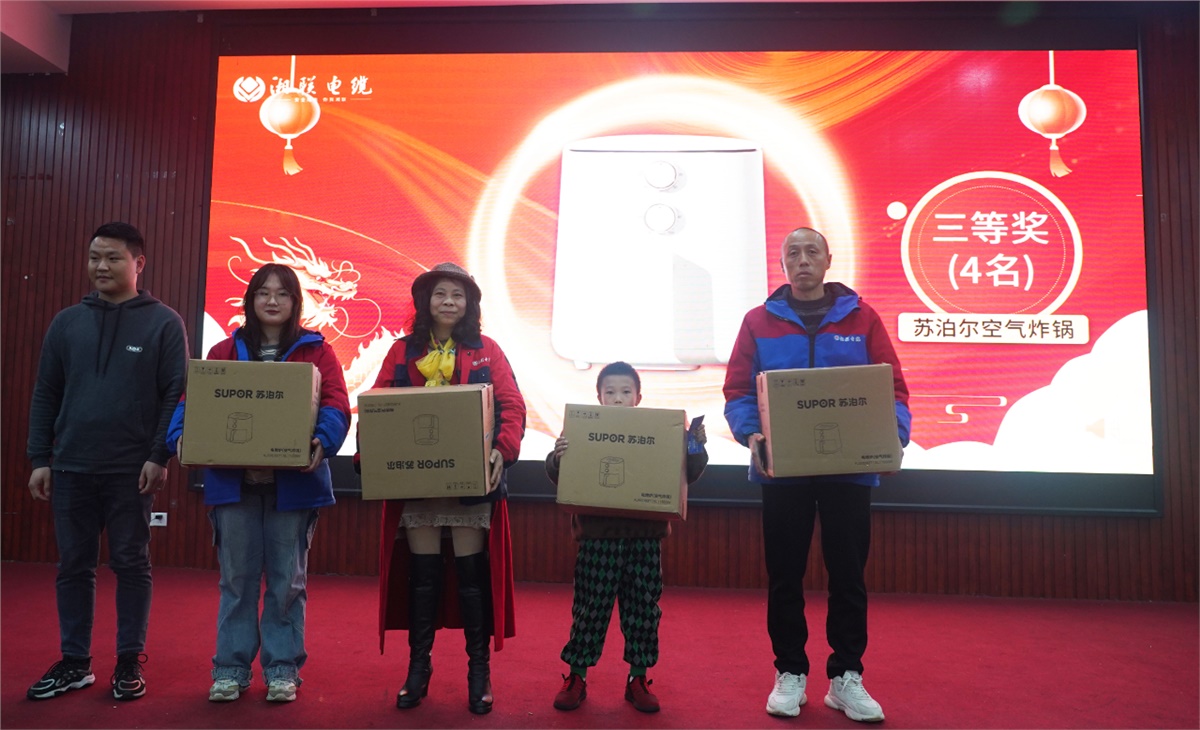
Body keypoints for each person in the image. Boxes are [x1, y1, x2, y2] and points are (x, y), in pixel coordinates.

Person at [722, 227, 911, 723]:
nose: (802, 260)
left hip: (849, 472)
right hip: (782, 471)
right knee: (785, 575)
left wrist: (894, 436)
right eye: (793, 253)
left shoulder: (862, 318)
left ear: (828, 260)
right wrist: (750, 434)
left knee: (848, 575)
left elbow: (892, 388)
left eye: (812, 252)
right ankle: (789, 671)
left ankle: (847, 676)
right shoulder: (758, 321)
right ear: (782, 264)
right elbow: (738, 391)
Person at [166, 263, 350, 703]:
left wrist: (324, 440)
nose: (272, 300)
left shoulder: (318, 352)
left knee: (288, 583)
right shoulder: (223, 352)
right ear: (249, 300)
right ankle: (230, 669)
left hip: (294, 487)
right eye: (263, 292)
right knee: (237, 582)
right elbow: (192, 401)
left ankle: (282, 669)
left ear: (295, 302)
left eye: (282, 293)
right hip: (235, 486)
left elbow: (336, 405)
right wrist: (180, 437)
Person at [25, 222, 189, 702]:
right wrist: (39, 457)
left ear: (139, 263)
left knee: (131, 564)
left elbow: (174, 395)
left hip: (130, 469)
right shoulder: (66, 323)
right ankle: (75, 662)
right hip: (70, 465)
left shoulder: (164, 323)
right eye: (95, 257)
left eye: (113, 257)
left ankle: (128, 660)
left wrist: (159, 455)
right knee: (73, 566)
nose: (101, 266)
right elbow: (46, 392)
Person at [359, 262, 525, 715]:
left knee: (472, 579)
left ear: (469, 303)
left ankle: (478, 672)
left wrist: (503, 450)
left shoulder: (488, 350)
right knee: (423, 577)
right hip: (418, 484)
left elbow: (512, 405)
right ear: (424, 302)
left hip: (471, 484)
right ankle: (418, 669)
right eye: (440, 294)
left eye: (457, 294)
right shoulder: (401, 351)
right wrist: (369, 457)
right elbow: (375, 407)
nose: (448, 301)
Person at [546, 361, 708, 714]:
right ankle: (576, 676)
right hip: (597, 539)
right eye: (610, 392)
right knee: (589, 609)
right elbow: (562, 475)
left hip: (644, 539)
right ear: (599, 398)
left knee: (643, 611)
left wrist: (694, 445)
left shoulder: (658, 433)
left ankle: (638, 678)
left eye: (625, 391)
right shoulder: (581, 430)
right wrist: (559, 458)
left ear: (638, 397)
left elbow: (687, 473)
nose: (617, 398)